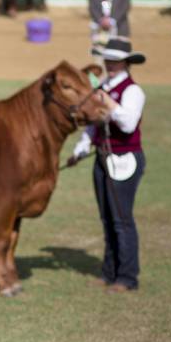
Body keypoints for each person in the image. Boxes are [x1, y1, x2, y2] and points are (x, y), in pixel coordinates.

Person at [69, 38, 147, 293]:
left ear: (126, 62)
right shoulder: (103, 88)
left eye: (116, 60)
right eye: (108, 59)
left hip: (124, 159)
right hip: (103, 158)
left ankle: (127, 277)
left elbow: (128, 124)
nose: (111, 64)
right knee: (107, 219)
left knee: (121, 220)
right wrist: (81, 148)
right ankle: (109, 271)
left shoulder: (132, 91)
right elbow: (93, 125)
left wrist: (109, 103)